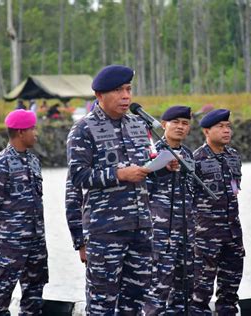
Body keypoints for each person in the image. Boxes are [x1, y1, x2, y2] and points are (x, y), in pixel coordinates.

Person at [66, 64, 153, 314]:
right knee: (102, 305)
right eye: (118, 90)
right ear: (99, 95)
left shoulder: (138, 125)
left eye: (128, 89)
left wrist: (161, 166)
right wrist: (118, 175)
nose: (126, 96)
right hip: (105, 231)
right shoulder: (84, 129)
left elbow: (144, 166)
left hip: (140, 228)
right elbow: (78, 176)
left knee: (135, 304)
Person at [0, 109, 48, 316]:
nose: (36, 133)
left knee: (34, 298)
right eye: (32, 129)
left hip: (36, 241)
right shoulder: (1, 163)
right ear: (20, 132)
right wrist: (6, 222)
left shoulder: (34, 161)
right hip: (10, 244)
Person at [190, 109, 244, 316]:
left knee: (230, 291)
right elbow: (190, 198)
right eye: (220, 127)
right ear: (206, 131)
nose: (226, 130)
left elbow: (235, 190)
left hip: (232, 234)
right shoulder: (197, 159)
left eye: (228, 126)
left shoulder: (233, 157)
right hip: (206, 235)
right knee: (201, 292)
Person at [143, 105, 196, 315]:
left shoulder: (189, 155)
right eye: (175, 123)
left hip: (186, 231)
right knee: (158, 288)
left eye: (185, 124)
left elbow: (192, 193)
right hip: (160, 232)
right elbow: (143, 191)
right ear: (164, 125)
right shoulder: (152, 153)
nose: (180, 127)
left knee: (184, 289)